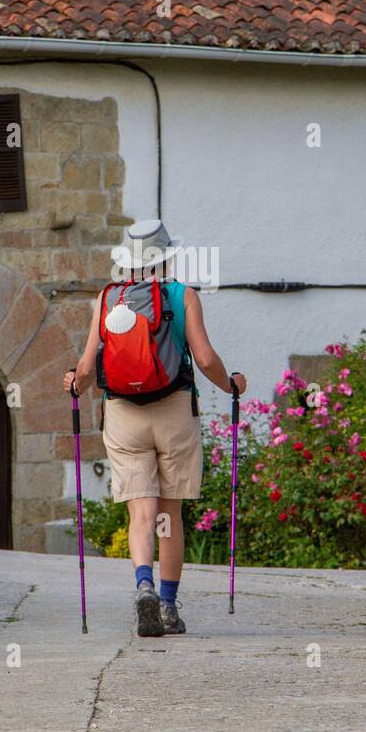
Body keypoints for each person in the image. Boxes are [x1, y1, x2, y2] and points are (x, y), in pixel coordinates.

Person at [63, 219, 246, 637]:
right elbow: (204, 359)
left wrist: (73, 383)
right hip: (174, 411)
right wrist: (231, 384)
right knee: (169, 515)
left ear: (126, 260)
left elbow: (87, 370)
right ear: (168, 256)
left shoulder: (108, 299)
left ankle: (143, 583)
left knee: (141, 513)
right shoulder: (184, 296)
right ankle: (167, 607)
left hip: (124, 416)